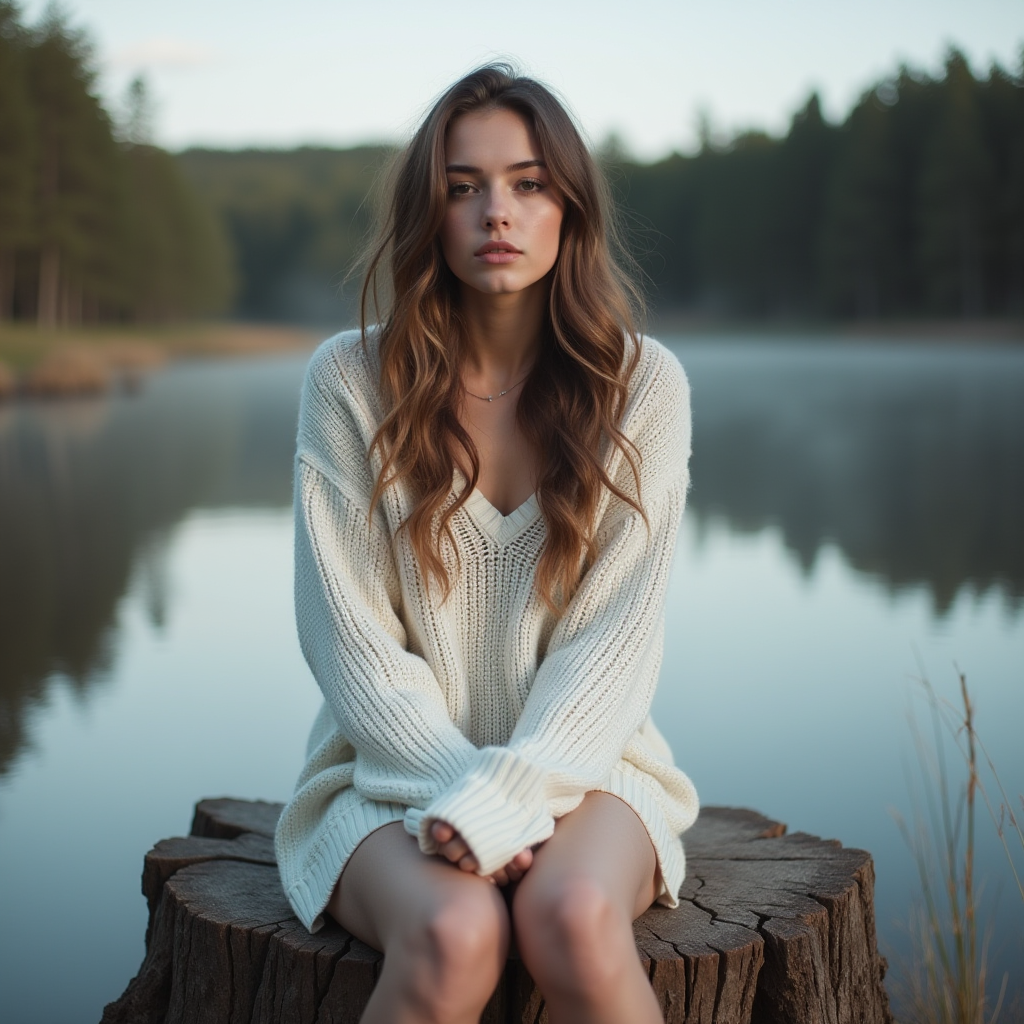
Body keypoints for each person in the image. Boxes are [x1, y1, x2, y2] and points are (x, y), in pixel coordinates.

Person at [274, 63, 699, 1024]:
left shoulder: (644, 387)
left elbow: (614, 647)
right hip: (382, 772)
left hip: (590, 770)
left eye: (527, 183)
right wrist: (463, 794)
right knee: (456, 934)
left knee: (578, 917)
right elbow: (349, 644)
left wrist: (511, 797)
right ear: (430, 213)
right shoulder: (348, 381)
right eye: (462, 187)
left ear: (571, 208)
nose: (494, 211)